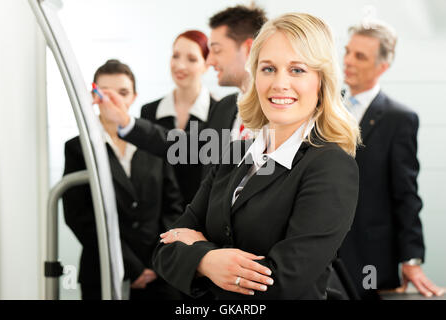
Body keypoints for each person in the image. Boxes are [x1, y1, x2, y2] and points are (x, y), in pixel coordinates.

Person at [152, 12, 361, 300]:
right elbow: (165, 249)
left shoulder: (330, 166)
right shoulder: (236, 154)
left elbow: (281, 284)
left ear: (321, 81)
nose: (279, 83)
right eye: (268, 69)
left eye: (297, 70)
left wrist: (202, 257)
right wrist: (208, 262)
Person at [97, 5, 267, 203]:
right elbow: (182, 147)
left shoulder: (277, 111)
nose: (210, 60)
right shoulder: (227, 108)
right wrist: (125, 121)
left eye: (216, 50)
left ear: (247, 48)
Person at [338, 20, 444, 299]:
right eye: (347, 51)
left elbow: (406, 195)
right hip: (323, 253)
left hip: (370, 257)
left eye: (359, 56)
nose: (347, 61)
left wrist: (411, 259)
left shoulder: (399, 119)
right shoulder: (325, 108)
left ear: (382, 67)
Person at [62, 59, 184, 300]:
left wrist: (158, 260)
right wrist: (131, 267)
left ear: (134, 96)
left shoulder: (153, 143)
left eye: (123, 92)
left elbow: (173, 207)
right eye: (106, 93)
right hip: (103, 270)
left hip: (159, 272)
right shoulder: (78, 148)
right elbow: (79, 217)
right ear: (94, 95)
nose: (114, 100)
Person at [139, 30, 217, 205]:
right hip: (159, 219)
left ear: (206, 64)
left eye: (191, 59)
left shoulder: (218, 112)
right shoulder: (149, 112)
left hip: (202, 218)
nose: (180, 65)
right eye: (175, 56)